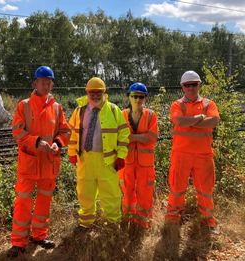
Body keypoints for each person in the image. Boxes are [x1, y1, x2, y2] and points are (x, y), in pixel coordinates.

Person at [7, 66, 71, 258]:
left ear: (52, 84)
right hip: (29, 165)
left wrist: (58, 144)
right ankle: (18, 243)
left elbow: (65, 132)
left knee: (44, 203)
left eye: (49, 82)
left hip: (49, 164)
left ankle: (40, 236)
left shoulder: (57, 108)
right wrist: (36, 141)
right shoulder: (24, 105)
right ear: (35, 83)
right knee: (23, 204)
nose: (46, 85)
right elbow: (17, 131)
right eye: (42, 82)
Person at [68, 77, 130, 230]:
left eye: (98, 92)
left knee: (110, 194)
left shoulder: (114, 111)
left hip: (107, 160)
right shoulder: (79, 111)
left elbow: (124, 134)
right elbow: (72, 134)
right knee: (85, 193)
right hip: (85, 159)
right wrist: (71, 152)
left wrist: (121, 155)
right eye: (91, 92)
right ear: (87, 93)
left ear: (104, 92)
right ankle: (85, 223)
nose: (95, 95)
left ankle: (113, 224)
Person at [166, 70, 220, 233]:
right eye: (187, 85)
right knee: (177, 188)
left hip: (203, 155)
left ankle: (207, 222)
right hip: (181, 155)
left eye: (194, 84)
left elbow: (215, 121)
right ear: (182, 86)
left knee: (206, 190)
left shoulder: (209, 104)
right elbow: (179, 121)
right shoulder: (177, 105)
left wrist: (189, 122)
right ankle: (173, 221)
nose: (190, 88)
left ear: (199, 85)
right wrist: (201, 118)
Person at [118, 83, 158, 229]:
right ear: (129, 96)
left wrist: (130, 137)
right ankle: (128, 219)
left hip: (145, 163)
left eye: (141, 96)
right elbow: (120, 136)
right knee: (127, 190)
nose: (137, 99)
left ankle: (143, 223)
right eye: (134, 96)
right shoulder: (121, 115)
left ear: (145, 98)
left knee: (145, 192)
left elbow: (152, 136)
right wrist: (139, 137)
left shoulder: (151, 115)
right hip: (127, 161)